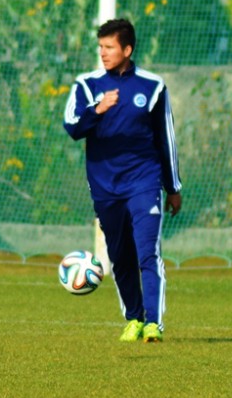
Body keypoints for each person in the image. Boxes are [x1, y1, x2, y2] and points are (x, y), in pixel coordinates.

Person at [63, 18, 182, 343]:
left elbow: (166, 138)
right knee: (120, 256)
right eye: (100, 47)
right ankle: (134, 318)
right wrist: (98, 109)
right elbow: (72, 127)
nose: (103, 53)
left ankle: (153, 323)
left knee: (147, 252)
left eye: (109, 47)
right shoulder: (86, 85)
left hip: (144, 181)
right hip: (105, 187)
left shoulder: (152, 86)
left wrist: (173, 187)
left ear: (127, 50)